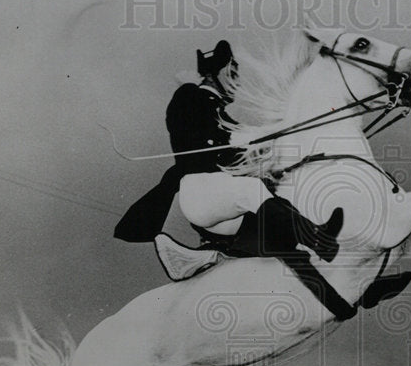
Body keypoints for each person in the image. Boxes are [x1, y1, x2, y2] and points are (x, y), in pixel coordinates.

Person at [114, 40, 343, 262]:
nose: (238, 83)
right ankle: (318, 239)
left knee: (279, 200)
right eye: (233, 74)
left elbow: (240, 153)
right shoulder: (191, 96)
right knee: (252, 189)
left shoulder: (221, 113)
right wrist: (240, 140)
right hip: (201, 189)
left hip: (224, 201)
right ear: (218, 73)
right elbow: (201, 138)